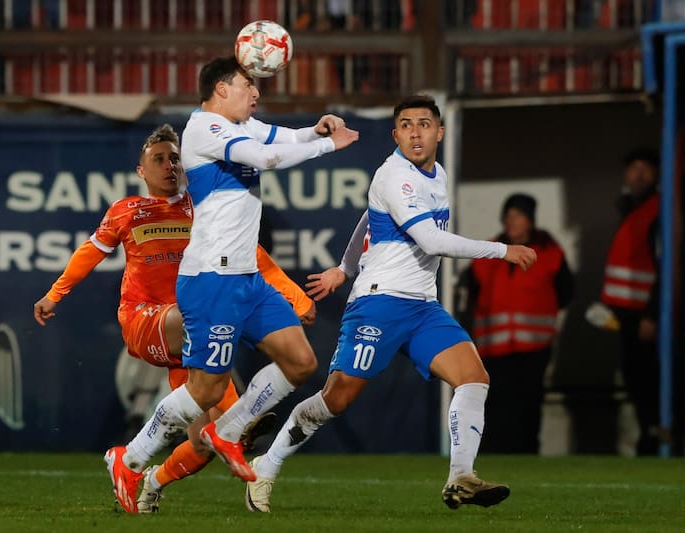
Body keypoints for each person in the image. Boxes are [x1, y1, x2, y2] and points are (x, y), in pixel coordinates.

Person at [244, 94, 537, 513]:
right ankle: (266, 465)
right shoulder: (394, 176)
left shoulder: (435, 174)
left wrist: (343, 268)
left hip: (422, 307)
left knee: (473, 377)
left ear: (440, 132)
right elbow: (432, 241)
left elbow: (369, 217)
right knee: (336, 399)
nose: (415, 133)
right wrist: (501, 250)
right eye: (406, 125)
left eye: (424, 124)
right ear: (395, 134)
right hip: (379, 303)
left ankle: (460, 477)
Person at [103, 56, 359, 513]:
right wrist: (327, 146)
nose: (256, 92)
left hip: (247, 279)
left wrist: (315, 130)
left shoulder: (241, 125)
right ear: (221, 89)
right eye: (247, 85)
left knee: (300, 362)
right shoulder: (203, 129)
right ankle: (132, 457)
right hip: (212, 280)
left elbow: (280, 138)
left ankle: (228, 430)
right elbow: (266, 157)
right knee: (205, 389)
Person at [33, 123, 316, 513]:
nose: (169, 165)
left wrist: (294, 297)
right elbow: (91, 251)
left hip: (192, 328)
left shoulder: (201, 208)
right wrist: (55, 293)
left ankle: (152, 481)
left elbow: (251, 257)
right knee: (210, 317)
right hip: (147, 320)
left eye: (175, 159)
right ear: (141, 170)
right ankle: (168, 444)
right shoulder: (127, 210)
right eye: (159, 159)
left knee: (206, 440)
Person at [456, 193, 574, 454]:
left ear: (530, 220)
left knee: (528, 408)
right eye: (508, 215)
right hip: (492, 349)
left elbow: (566, 292)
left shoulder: (549, 253)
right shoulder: (488, 252)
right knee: (496, 410)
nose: (511, 221)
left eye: (518, 215)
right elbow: (471, 295)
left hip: (534, 349)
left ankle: (527, 456)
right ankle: (495, 457)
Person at [598, 149, 660, 456]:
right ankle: (649, 436)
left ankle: (654, 439)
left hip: (645, 315)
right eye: (633, 168)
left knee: (648, 380)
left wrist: (653, 315)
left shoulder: (658, 211)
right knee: (636, 379)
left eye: (645, 168)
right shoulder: (632, 209)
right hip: (628, 314)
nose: (639, 174)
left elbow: (665, 267)